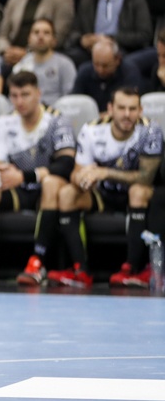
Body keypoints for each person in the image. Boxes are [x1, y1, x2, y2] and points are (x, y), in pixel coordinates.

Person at [0, 71, 76, 284]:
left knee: (51, 182)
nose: (19, 101)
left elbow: (66, 164)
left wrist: (25, 176)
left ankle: (38, 262)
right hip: (17, 190)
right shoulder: (7, 121)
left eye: (25, 95)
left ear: (38, 93)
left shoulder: (56, 121)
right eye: (14, 96)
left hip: (44, 190)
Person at [49, 87, 163, 288]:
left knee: (137, 191)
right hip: (102, 194)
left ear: (140, 110)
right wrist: (83, 179)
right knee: (67, 193)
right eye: (121, 108)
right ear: (110, 109)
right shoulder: (92, 130)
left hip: (138, 196)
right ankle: (80, 270)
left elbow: (146, 178)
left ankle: (132, 269)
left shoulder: (150, 131)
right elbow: (76, 173)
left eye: (132, 109)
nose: (127, 114)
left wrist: (105, 172)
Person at [12, 18, 78, 105]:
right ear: (29, 39)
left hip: (55, 111)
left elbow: (70, 98)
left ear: (54, 40)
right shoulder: (23, 63)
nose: (40, 37)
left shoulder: (65, 64)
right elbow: (15, 94)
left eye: (46, 33)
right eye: (36, 32)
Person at [70, 37, 142, 111]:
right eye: (96, 64)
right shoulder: (84, 71)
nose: (100, 70)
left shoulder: (129, 72)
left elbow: (130, 105)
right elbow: (75, 102)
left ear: (117, 60)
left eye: (105, 66)